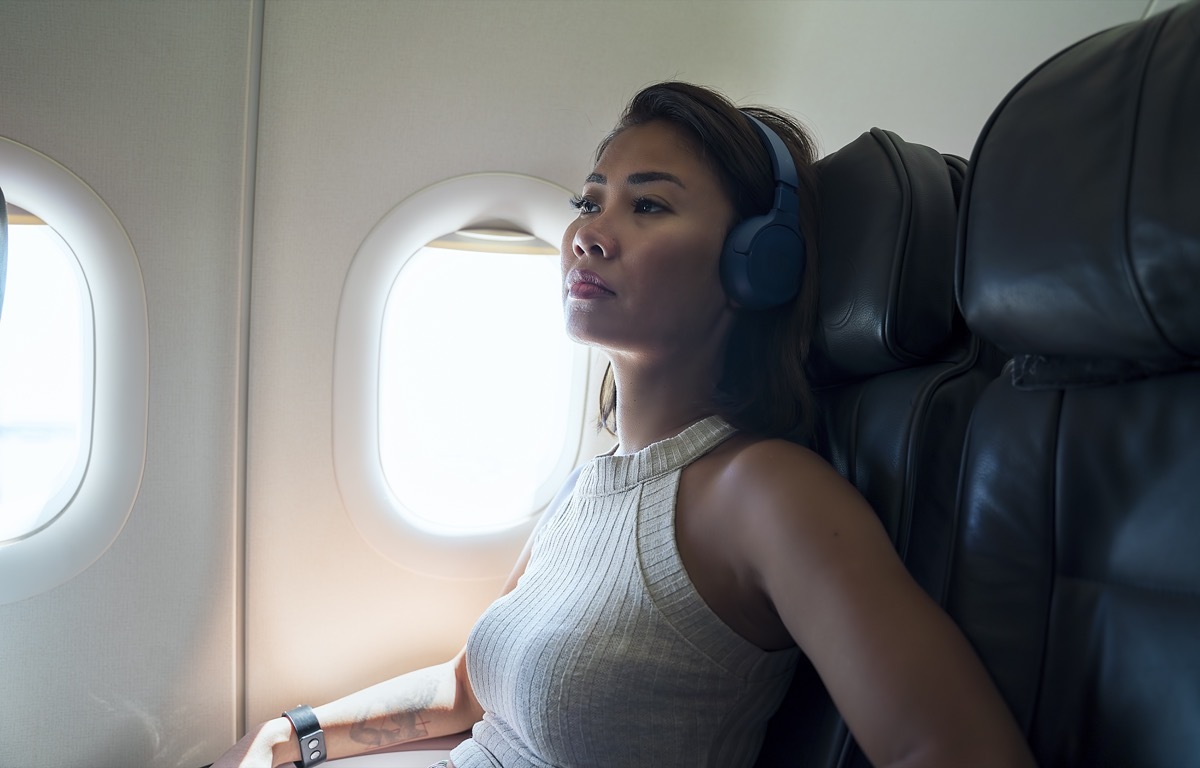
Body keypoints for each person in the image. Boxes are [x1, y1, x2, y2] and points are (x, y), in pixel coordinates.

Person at [212, 81, 1036, 768]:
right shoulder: (588, 488)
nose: (588, 236)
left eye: (647, 206)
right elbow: (469, 690)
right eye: (588, 200)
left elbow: (952, 750)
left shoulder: (763, 492)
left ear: (756, 264)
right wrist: (293, 735)